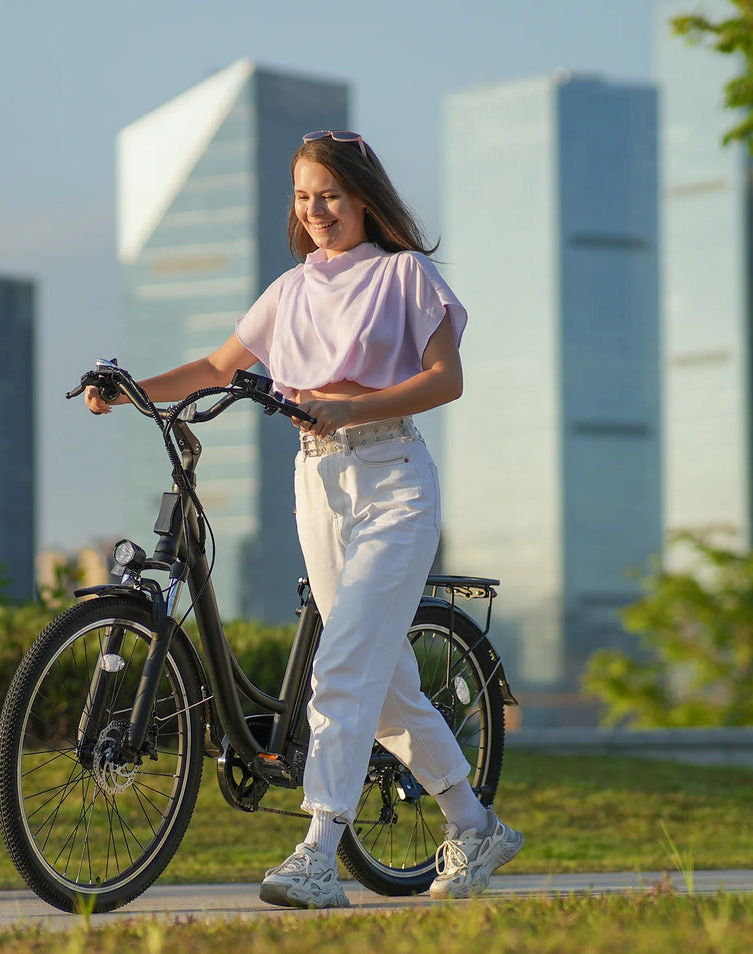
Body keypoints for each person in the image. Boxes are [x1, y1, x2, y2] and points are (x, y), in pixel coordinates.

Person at [86, 129, 523, 907]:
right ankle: (473, 823)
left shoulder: (404, 276)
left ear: (362, 197)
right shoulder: (290, 290)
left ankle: (318, 851)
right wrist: (128, 388)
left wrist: (345, 403)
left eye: (328, 194)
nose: (315, 210)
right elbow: (219, 368)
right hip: (316, 487)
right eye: (302, 196)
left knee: (343, 666)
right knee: (381, 685)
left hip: (393, 481)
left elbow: (444, 380)